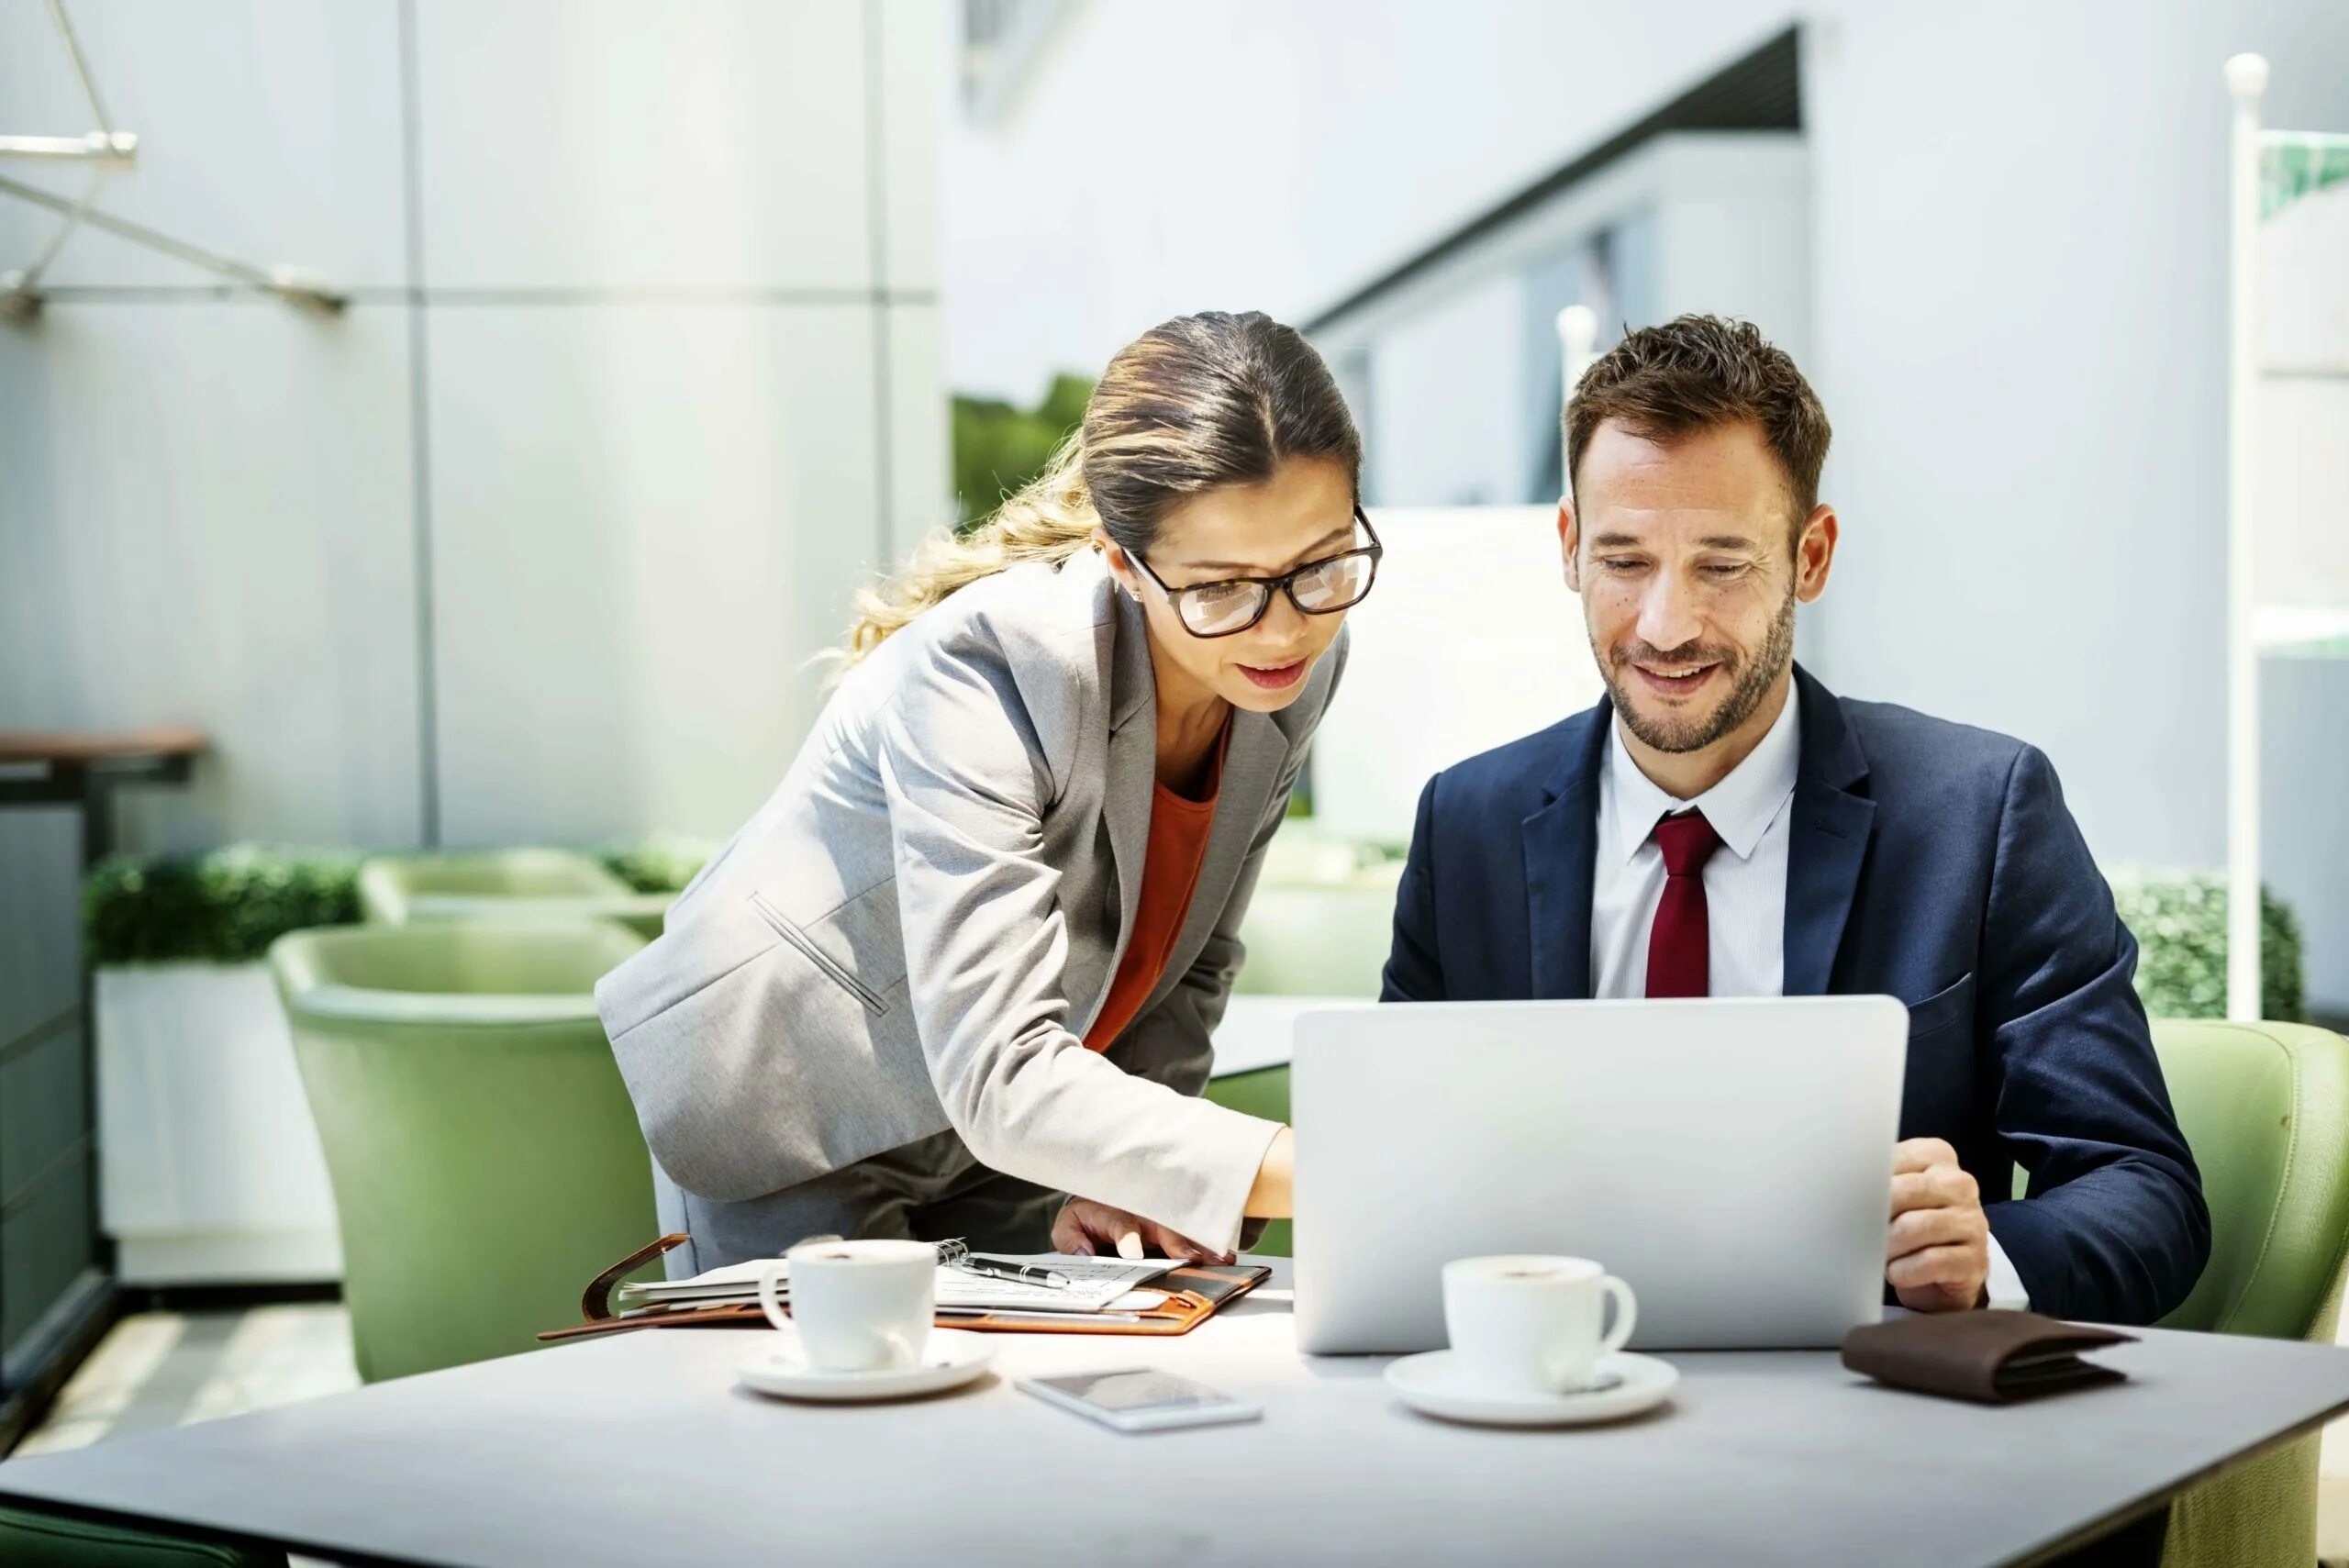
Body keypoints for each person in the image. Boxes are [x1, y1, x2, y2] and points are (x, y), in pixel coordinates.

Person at [1382, 315, 2210, 1331]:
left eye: (1722, 564)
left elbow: (2144, 1188)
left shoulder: (1978, 814)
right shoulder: (1466, 824)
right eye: (1625, 559)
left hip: (1854, 1426)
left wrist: (1985, 1251)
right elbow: (1397, 1177)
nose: (1665, 624)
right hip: (1547, 1402)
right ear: (1568, 547)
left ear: (1809, 554)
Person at [597, 310, 1374, 1274]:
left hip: (1014, 1131)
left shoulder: (1297, 666)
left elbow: (1193, 960)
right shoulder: (989, 666)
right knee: (842, 1414)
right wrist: (1340, 1170)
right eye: (1220, 588)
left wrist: (1141, 1171)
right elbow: (1000, 1071)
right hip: (802, 1106)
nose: (1280, 627)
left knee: (1024, 1409)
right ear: (1122, 561)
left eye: (1321, 562)